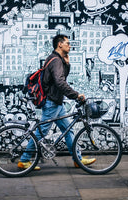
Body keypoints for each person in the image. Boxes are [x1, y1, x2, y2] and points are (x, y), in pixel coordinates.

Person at [18, 34, 96, 170]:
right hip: (52, 102)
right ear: (59, 44)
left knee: (68, 129)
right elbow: (60, 82)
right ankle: (24, 160)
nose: (69, 45)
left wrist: (67, 63)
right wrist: (76, 95)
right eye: (67, 43)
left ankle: (77, 159)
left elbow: (60, 78)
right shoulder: (55, 60)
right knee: (41, 132)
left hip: (57, 102)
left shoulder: (57, 59)